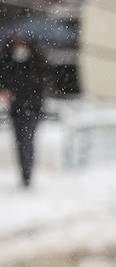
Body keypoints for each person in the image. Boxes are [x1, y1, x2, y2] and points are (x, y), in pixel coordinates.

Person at [0, 34, 47, 188]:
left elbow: (42, 85)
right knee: (21, 141)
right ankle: (25, 173)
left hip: (32, 109)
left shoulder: (35, 63)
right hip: (17, 109)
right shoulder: (9, 62)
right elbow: (6, 82)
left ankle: (27, 173)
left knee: (27, 141)